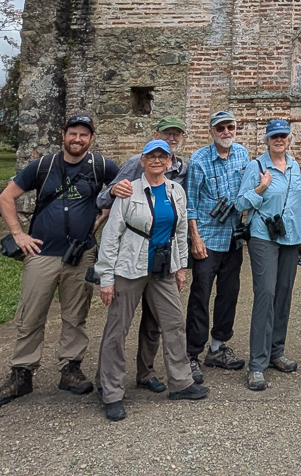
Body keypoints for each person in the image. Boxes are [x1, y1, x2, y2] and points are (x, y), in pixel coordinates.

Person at [0, 113, 118, 409]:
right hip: (41, 253)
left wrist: (100, 219)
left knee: (75, 315)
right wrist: (18, 234)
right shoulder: (43, 166)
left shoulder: (101, 167)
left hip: (80, 254)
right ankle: (22, 372)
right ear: (63, 135)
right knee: (31, 315)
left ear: (91, 138)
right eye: (73, 133)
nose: (77, 139)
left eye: (84, 135)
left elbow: (120, 192)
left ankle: (70, 368)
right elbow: (6, 197)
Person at [96, 140, 208, 420]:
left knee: (174, 323)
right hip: (129, 267)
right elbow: (111, 236)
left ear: (169, 162)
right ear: (142, 161)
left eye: (162, 156)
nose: (157, 160)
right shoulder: (128, 191)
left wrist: (181, 268)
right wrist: (106, 277)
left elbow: (180, 232)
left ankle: (181, 382)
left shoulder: (176, 191)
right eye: (151, 156)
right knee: (117, 329)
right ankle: (111, 391)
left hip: (163, 268)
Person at [182, 111, 252, 384]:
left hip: (233, 238)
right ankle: (192, 353)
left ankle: (218, 346)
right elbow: (190, 204)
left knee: (229, 293)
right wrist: (195, 238)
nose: (226, 132)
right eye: (220, 128)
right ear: (211, 131)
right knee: (200, 295)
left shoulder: (242, 154)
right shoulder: (199, 160)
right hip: (208, 239)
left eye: (230, 127)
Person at [238, 118, 301, 391]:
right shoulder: (257, 166)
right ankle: (257, 363)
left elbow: (299, 203)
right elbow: (240, 203)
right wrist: (261, 188)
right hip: (263, 236)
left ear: (289, 139)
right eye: (274, 136)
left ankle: (276, 351)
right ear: (267, 139)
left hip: (291, 237)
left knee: (283, 294)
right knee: (265, 295)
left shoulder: (294, 166)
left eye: (283, 136)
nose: (279, 140)